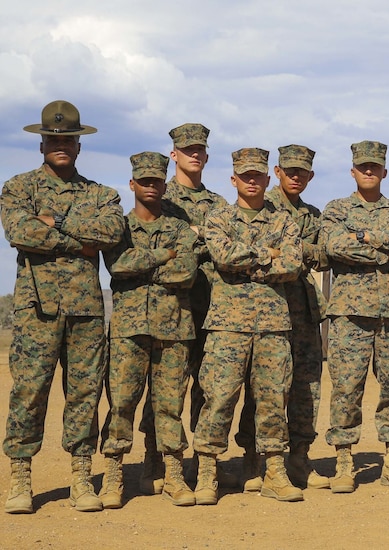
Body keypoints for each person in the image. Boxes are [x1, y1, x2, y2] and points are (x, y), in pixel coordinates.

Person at [2, 100, 125, 514]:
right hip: (36, 310)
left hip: (86, 312)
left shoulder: (101, 194)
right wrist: (79, 241)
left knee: (84, 395)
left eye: (68, 139)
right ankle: (20, 478)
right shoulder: (19, 188)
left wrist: (54, 223)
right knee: (29, 392)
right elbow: (19, 233)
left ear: (78, 145)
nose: (61, 145)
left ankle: (81, 476)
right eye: (53, 138)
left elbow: (110, 231)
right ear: (41, 144)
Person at [191, 148, 303, 504]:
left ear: (268, 179)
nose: (252, 181)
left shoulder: (284, 221)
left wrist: (247, 259)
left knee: (273, 401)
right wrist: (265, 254)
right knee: (219, 398)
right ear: (234, 179)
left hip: (272, 326)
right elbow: (222, 256)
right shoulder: (218, 218)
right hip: (228, 326)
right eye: (246, 175)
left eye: (258, 176)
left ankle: (274, 471)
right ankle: (207, 472)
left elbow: (292, 264)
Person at [99, 152, 198, 508]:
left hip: (173, 329)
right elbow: (117, 265)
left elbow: (187, 272)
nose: (152, 187)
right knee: (122, 403)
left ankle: (173, 473)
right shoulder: (119, 228)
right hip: (128, 330)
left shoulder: (180, 228)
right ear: (132, 184)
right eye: (145, 181)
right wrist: (161, 257)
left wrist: (144, 266)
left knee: (169, 406)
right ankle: (113, 475)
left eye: (157, 181)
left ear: (164, 182)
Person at [320, 141, 389, 493]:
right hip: (349, 314)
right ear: (353, 171)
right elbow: (334, 246)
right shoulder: (335, 209)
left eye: (375, 167)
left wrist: (362, 237)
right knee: (346, 389)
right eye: (363, 167)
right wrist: (382, 250)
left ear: (384, 172)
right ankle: (344, 461)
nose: (369, 172)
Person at [235, 144, 331, 493]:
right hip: (263, 309)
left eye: (301, 172)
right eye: (289, 170)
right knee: (261, 389)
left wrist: (292, 250)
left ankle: (300, 458)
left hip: (303, 312)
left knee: (306, 386)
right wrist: (288, 252)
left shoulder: (313, 214)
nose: (295, 177)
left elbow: (324, 254)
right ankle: (253, 459)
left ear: (310, 176)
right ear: (276, 172)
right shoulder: (263, 205)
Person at [142, 123, 232, 494]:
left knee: (207, 388)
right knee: (166, 387)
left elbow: (227, 248)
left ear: (207, 156)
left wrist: (195, 242)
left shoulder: (219, 205)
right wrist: (197, 242)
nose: (194, 155)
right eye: (187, 149)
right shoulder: (161, 201)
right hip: (171, 308)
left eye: (200, 150)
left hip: (211, 306)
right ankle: (154, 456)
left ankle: (200, 461)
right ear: (174, 155)